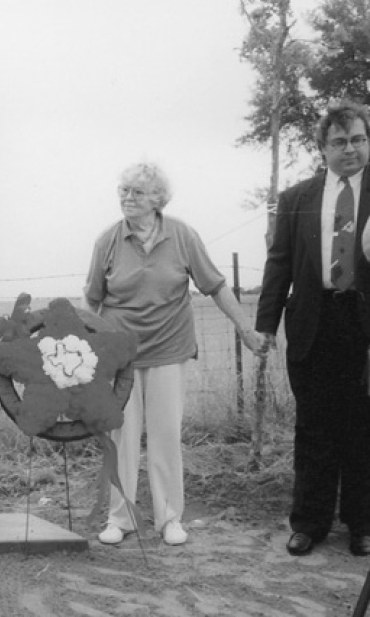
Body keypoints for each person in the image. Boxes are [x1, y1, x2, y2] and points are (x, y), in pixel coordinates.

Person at [83, 161, 267, 546]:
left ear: (157, 199)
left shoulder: (182, 235)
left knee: (166, 435)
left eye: (136, 192)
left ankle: (169, 518)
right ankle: (121, 518)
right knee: (122, 437)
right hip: (121, 355)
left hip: (169, 349)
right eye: (124, 191)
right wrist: (89, 357)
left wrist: (245, 330)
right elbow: (93, 301)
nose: (127, 198)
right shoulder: (108, 241)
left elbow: (215, 286)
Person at [257, 101, 370, 558]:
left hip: (363, 325)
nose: (351, 149)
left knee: (363, 428)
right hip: (312, 323)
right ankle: (309, 523)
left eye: (359, 139)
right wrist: (266, 323)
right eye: (340, 142)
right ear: (322, 147)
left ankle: (362, 525)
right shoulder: (297, 198)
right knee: (314, 427)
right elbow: (279, 262)